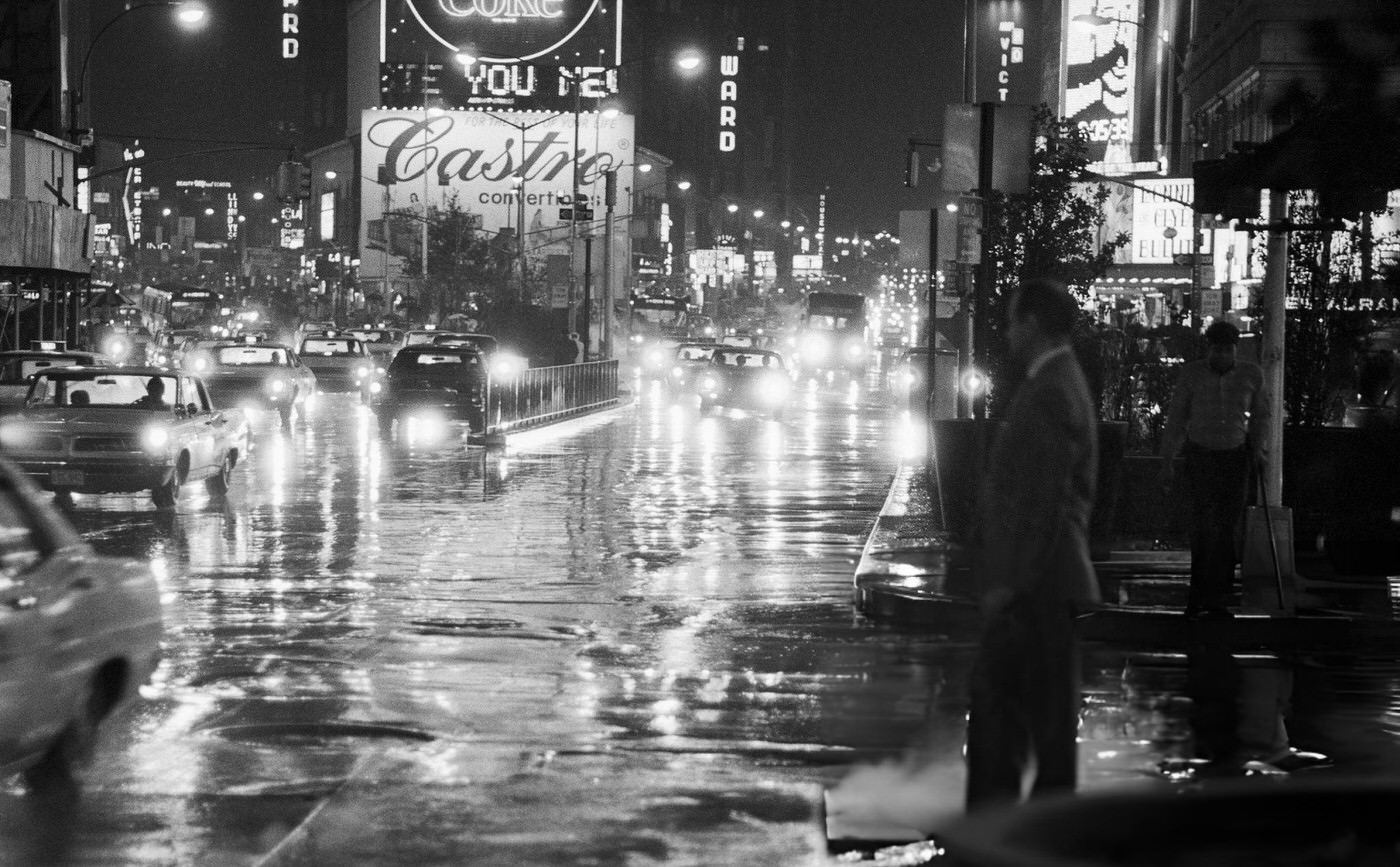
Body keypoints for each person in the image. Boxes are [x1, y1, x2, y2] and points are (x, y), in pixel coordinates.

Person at [965, 278, 1100, 812]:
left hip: (1035, 584)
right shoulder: (1058, 381)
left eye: (1012, 321)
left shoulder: (1050, 390)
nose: (1007, 332)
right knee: (1039, 716)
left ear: (1035, 325)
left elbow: (1040, 499)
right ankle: (1033, 825)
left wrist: (1009, 583)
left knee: (1005, 713)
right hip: (1043, 581)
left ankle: (1001, 829)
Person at [1158, 320, 1268, 617]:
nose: (1222, 355)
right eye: (1217, 349)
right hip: (1201, 454)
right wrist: (1168, 459)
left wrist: (1258, 450)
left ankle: (1218, 595)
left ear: (1235, 349)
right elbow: (1177, 417)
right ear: (1210, 349)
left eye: (1227, 349)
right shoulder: (1192, 374)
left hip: (1235, 455)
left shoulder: (1251, 375)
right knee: (1202, 527)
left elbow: (1261, 416)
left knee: (1227, 528)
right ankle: (1199, 594)